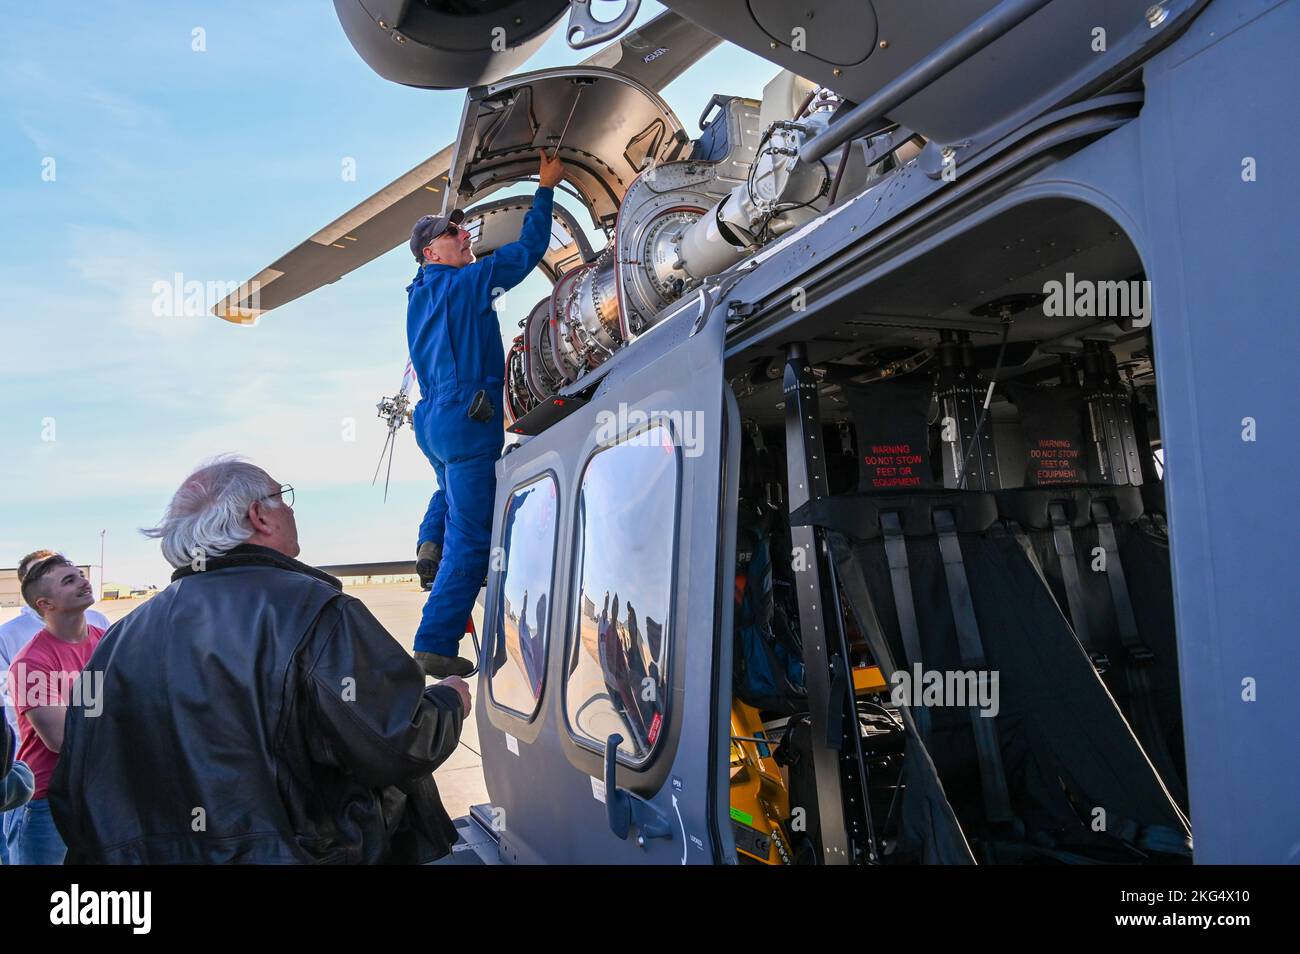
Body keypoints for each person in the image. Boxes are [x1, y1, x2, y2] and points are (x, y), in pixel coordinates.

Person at [48, 455, 471, 864]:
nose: (289, 508)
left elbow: (73, 791)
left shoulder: (119, 639)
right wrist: (449, 702)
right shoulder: (316, 611)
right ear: (259, 516)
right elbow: (393, 743)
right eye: (281, 495)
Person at [407, 149, 565, 677]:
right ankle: (435, 638)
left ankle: (430, 540)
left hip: (432, 422)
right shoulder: (463, 285)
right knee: (473, 540)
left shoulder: (419, 294)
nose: (466, 237)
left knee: (448, 490)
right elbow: (528, 251)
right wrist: (546, 188)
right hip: (467, 418)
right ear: (432, 250)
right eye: (456, 235)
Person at [0, 550, 109, 864]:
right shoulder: (31, 662)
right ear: (45, 605)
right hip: (48, 797)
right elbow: (61, 739)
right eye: (69, 580)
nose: (82, 582)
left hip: (99, 790)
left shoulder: (107, 641)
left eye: (80, 575)